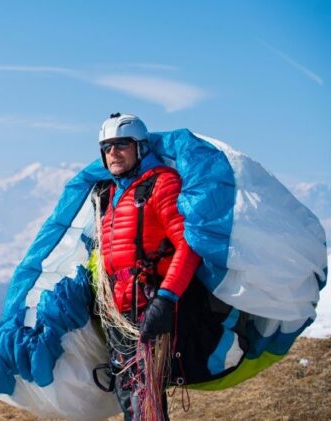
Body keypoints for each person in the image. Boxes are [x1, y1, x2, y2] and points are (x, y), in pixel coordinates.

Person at [94, 113, 201, 420]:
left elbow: (188, 245)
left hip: (149, 307)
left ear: (140, 147)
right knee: (130, 396)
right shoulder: (111, 194)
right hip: (120, 314)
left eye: (121, 144)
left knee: (145, 400)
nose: (113, 152)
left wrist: (166, 300)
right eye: (107, 146)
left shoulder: (161, 185)